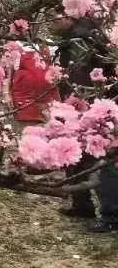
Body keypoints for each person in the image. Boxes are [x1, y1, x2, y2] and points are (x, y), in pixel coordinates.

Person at [53, 13, 118, 233]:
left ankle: (110, 214)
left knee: (99, 160)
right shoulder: (81, 37)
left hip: (92, 110)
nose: (51, 23)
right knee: (76, 157)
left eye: (55, 18)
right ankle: (83, 205)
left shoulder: (82, 39)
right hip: (87, 107)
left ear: (71, 17)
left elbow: (83, 76)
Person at [10, 49, 60, 132]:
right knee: (28, 134)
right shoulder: (17, 49)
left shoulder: (49, 49)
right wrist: (7, 94)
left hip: (47, 99)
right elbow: (9, 74)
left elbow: (54, 76)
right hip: (25, 100)